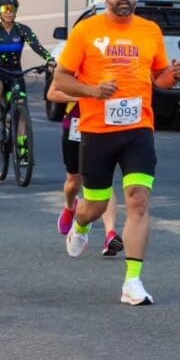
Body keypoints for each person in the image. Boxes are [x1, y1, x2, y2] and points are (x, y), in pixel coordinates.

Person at [52, 0, 180, 305]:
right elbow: (61, 79)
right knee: (95, 206)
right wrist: (92, 90)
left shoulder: (149, 30)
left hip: (138, 128)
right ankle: (81, 224)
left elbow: (160, 77)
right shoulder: (86, 30)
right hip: (97, 130)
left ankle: (133, 281)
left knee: (138, 199)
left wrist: (174, 75)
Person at [46, 83, 124, 257]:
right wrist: (83, 96)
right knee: (74, 182)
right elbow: (52, 93)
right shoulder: (74, 68)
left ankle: (110, 234)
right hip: (75, 125)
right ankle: (70, 206)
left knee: (103, 182)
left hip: (103, 127)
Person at [0, 0, 55, 116]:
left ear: (16, 11)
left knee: (22, 100)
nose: (8, 12)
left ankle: (20, 122)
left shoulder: (22, 29)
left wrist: (50, 58)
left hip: (16, 73)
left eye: (12, 8)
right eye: (5, 9)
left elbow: (36, 46)